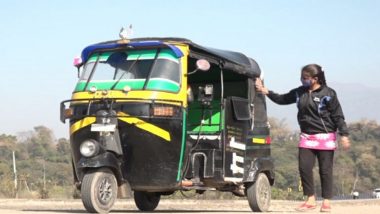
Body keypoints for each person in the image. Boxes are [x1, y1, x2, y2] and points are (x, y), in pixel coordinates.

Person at [255, 64, 350, 212]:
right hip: (307, 137)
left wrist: (344, 134)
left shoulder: (328, 93)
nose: (302, 80)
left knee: (325, 170)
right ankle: (310, 200)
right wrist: (265, 91)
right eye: (301, 77)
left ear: (315, 79)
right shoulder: (300, 92)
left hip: (325, 138)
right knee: (304, 168)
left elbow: (338, 115)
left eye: (305, 78)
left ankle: (326, 202)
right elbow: (283, 99)